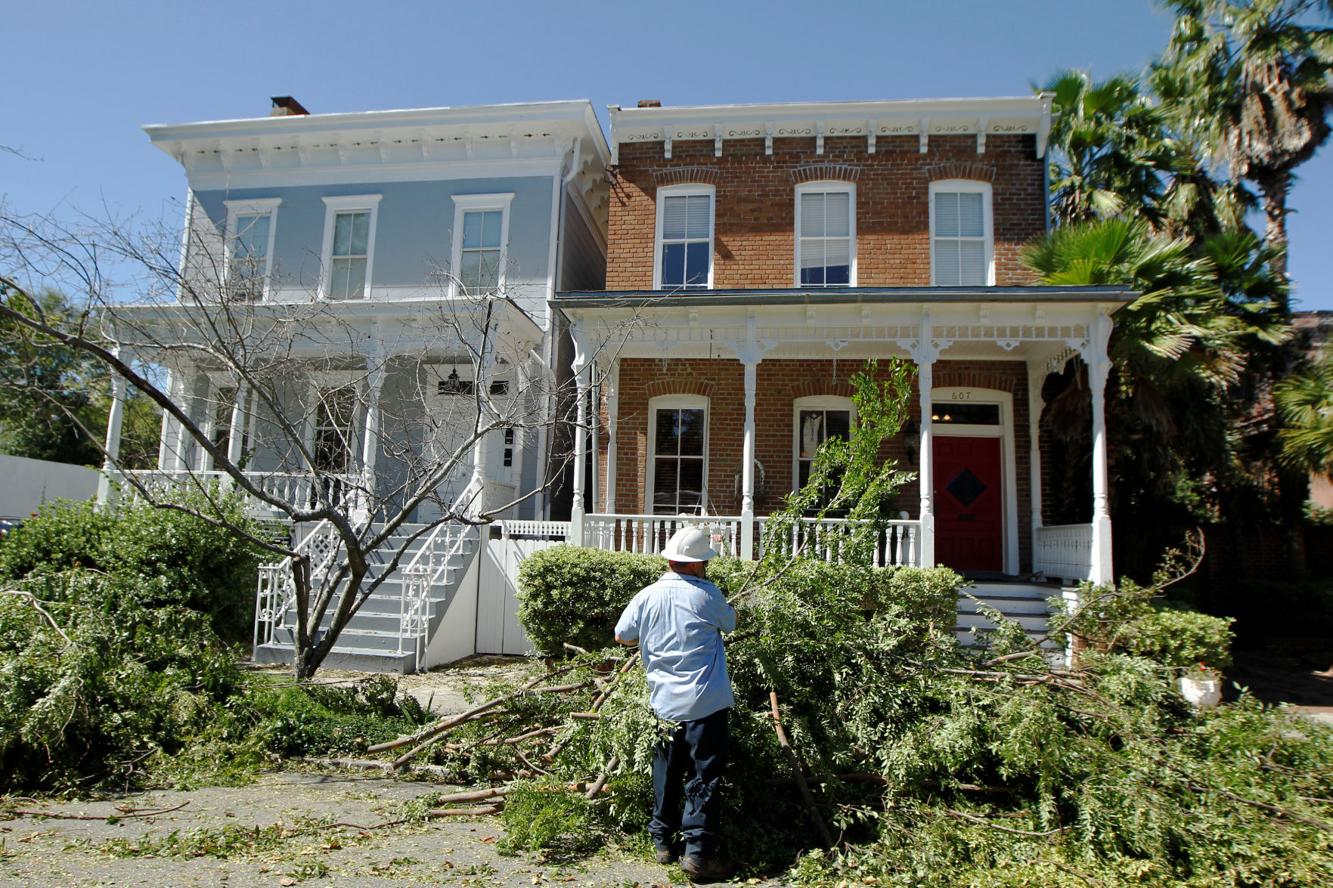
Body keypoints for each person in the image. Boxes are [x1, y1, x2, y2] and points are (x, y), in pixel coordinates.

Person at [614, 524, 736, 883]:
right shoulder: (707, 595)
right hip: (706, 703)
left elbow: (622, 636)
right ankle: (697, 854)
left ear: (670, 559)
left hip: (663, 703)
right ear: (698, 564)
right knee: (703, 776)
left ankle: (662, 841)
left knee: (665, 773)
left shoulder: (646, 595)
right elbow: (730, 624)